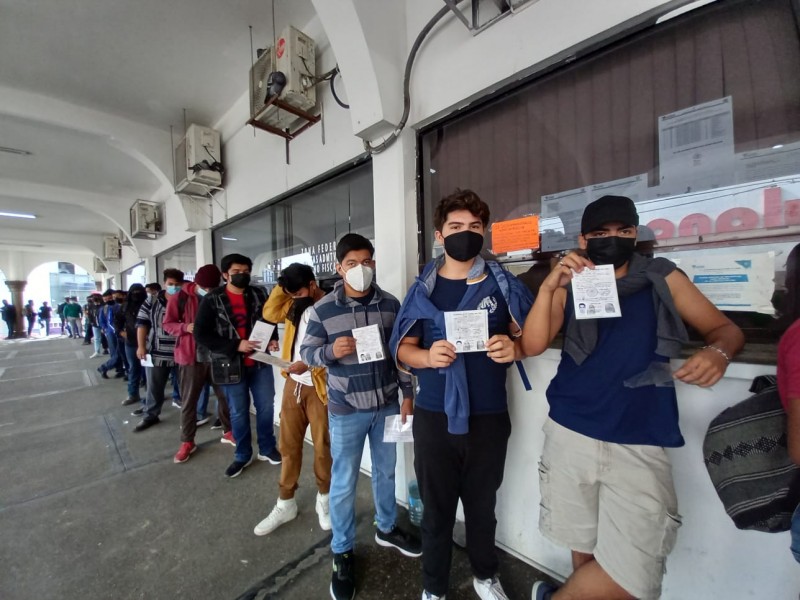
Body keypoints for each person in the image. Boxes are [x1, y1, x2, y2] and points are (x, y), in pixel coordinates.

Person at [522, 195, 745, 600]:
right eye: (601, 233)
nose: (614, 239)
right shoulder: (571, 279)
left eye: (624, 231)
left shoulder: (662, 276)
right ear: (583, 238)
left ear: (635, 233)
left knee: (634, 580)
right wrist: (551, 285)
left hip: (640, 434)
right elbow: (535, 342)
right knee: (583, 551)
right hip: (571, 428)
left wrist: (719, 353)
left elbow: (725, 329)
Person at [391, 189, 534, 600]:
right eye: (456, 227)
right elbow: (402, 347)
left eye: (474, 227)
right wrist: (426, 355)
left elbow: (527, 334)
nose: (465, 234)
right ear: (440, 235)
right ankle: (433, 587)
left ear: (484, 233)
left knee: (482, 505)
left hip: (488, 415)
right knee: (436, 510)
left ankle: (485, 575)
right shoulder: (423, 289)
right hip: (435, 416)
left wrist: (515, 347)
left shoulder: (503, 285)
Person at [300, 233, 421, 600]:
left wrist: (407, 396)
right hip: (346, 410)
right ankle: (342, 551)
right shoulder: (323, 310)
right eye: (352, 263)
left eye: (367, 261)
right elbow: (307, 353)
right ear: (339, 268)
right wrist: (331, 352)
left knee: (385, 471)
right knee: (344, 482)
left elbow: (401, 353)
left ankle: (386, 528)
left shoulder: (390, 304)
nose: (361, 269)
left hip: (386, 403)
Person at [253, 263, 332, 536]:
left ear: (312, 284)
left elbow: (337, 349)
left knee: (323, 447)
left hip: (320, 386)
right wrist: (283, 285)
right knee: (288, 446)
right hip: (293, 385)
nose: (294, 297)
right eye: (291, 293)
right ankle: (285, 502)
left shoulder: (331, 304)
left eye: (298, 291)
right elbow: (269, 312)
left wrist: (309, 366)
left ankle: (325, 498)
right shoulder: (294, 304)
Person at [194, 253, 282, 478]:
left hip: (260, 362)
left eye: (245, 272)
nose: (241, 276)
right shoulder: (212, 299)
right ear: (225, 275)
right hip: (229, 364)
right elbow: (201, 334)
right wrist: (235, 345)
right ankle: (242, 454)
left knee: (266, 407)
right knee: (238, 411)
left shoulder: (259, 293)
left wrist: (273, 338)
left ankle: (267, 448)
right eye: (236, 272)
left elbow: (268, 320)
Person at [163, 264, 234, 464]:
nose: (209, 292)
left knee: (225, 397)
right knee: (189, 401)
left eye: (213, 288)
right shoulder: (181, 297)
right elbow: (167, 324)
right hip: (191, 357)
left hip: (218, 356)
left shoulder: (222, 295)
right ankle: (187, 441)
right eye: (206, 288)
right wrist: (185, 327)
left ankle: (228, 431)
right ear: (197, 282)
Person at [115, 284, 147, 408]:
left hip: (148, 343)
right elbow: (117, 321)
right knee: (133, 369)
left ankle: (151, 394)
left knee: (150, 371)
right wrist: (121, 332)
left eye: (139, 292)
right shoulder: (125, 306)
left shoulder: (149, 305)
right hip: (131, 343)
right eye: (134, 292)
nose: (136, 295)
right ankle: (133, 394)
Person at [97, 290, 125, 379]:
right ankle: (108, 368)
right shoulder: (104, 308)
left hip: (118, 332)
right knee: (116, 353)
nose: (108, 300)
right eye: (106, 299)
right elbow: (102, 322)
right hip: (112, 333)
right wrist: (106, 330)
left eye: (110, 298)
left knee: (119, 352)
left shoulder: (119, 306)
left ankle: (118, 369)